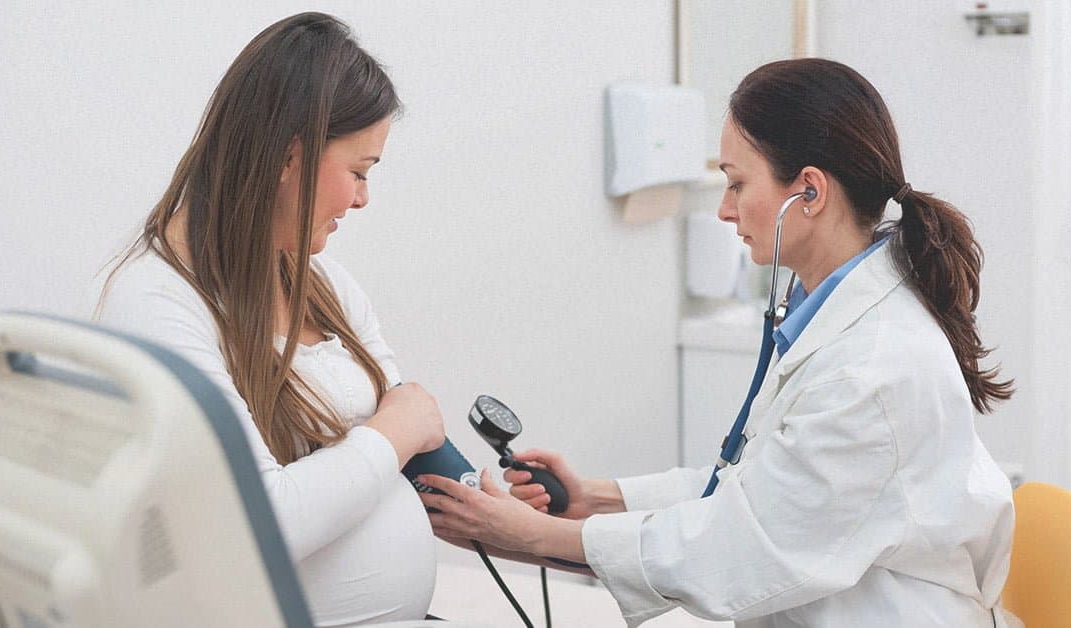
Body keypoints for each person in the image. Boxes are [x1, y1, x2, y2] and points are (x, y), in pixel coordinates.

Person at [416, 58, 1022, 627]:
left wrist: (525, 535)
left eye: (736, 184)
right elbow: (757, 485)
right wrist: (597, 498)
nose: (725, 210)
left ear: (808, 192)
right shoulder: (837, 322)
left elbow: (743, 548)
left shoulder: (872, 369)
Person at [97, 13, 447, 626]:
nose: (363, 199)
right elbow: (265, 521)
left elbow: (410, 428)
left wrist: (489, 502)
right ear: (291, 156)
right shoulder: (156, 305)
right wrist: (400, 429)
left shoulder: (319, 281)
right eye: (359, 172)